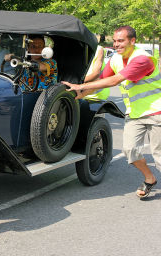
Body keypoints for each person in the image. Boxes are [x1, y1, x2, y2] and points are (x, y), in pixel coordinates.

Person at [62, 26, 161, 199]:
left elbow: (114, 80)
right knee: (130, 151)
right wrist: (76, 95)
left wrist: (81, 86)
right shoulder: (116, 59)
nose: (116, 44)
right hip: (135, 113)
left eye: (121, 41)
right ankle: (150, 178)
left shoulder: (142, 59)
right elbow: (102, 79)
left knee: (159, 156)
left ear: (132, 41)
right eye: (115, 41)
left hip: (156, 112)